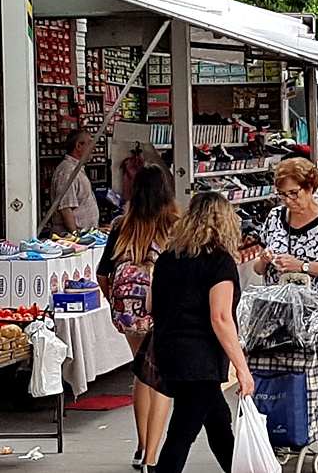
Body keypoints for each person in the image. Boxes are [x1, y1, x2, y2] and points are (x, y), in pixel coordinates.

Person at [151, 193, 254, 473]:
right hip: (201, 359)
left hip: (170, 352)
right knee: (182, 433)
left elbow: (151, 304)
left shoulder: (167, 259)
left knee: (219, 423)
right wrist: (242, 368)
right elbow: (221, 317)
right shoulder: (219, 262)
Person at [254, 157, 318, 447]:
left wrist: (302, 265)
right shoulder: (274, 218)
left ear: (310, 188)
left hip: (316, 309)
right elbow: (260, 269)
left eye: (294, 193)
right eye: (283, 194)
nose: (289, 200)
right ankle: (283, 428)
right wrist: (265, 259)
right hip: (277, 309)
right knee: (278, 368)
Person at [97, 165, 176, 473]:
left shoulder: (120, 225)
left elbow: (103, 273)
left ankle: (141, 445)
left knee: (141, 373)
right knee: (160, 377)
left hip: (128, 314)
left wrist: (118, 303)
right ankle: (152, 457)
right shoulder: (173, 225)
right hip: (162, 311)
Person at [50, 128, 100, 235]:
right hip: (73, 238)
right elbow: (66, 208)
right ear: (78, 146)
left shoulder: (76, 169)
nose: (93, 148)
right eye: (90, 144)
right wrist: (75, 234)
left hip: (85, 234)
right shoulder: (68, 171)